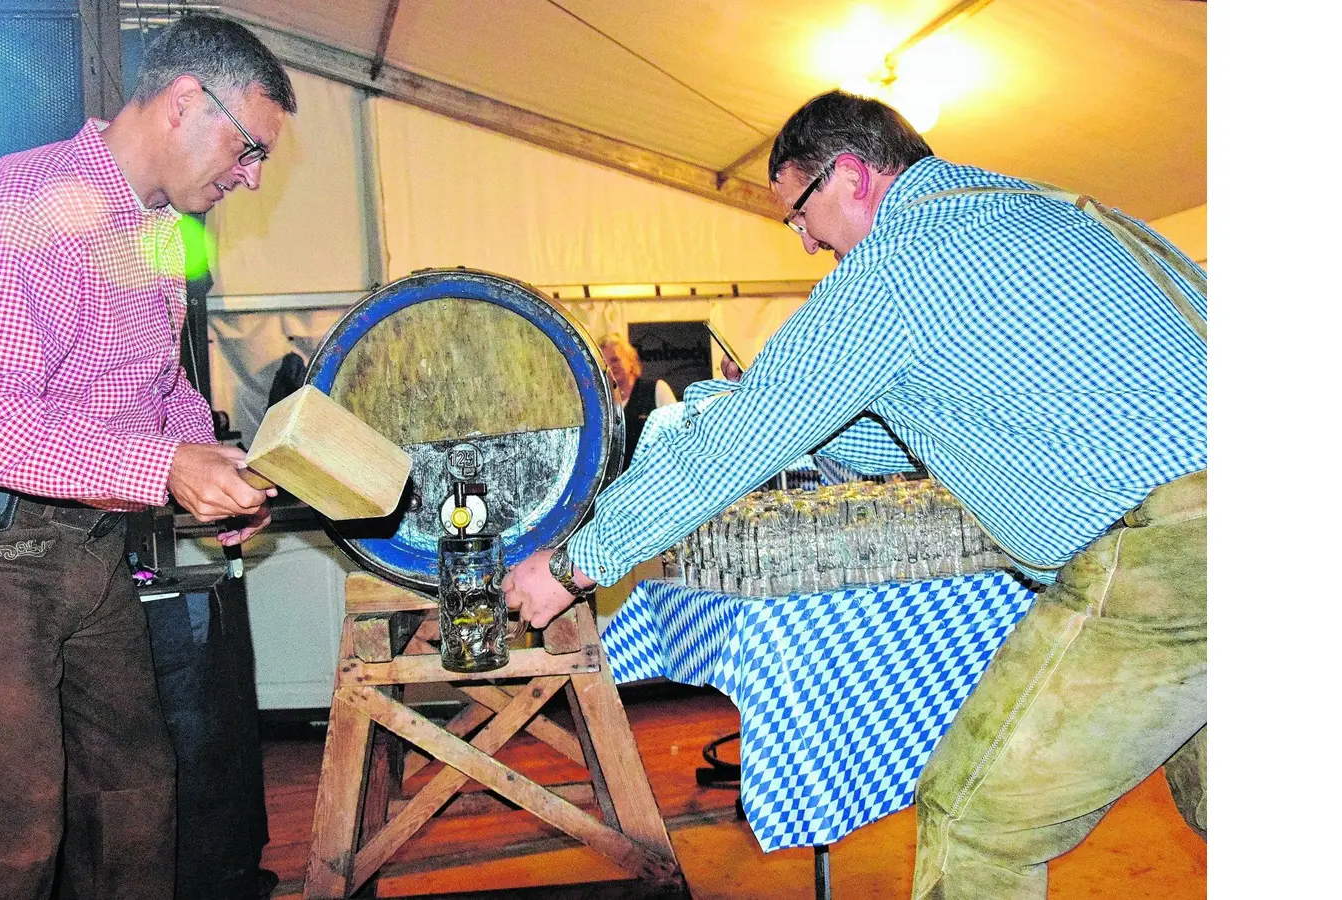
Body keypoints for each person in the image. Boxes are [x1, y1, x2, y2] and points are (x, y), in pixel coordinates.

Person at [503, 89, 1206, 899]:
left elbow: (741, 441)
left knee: (977, 822)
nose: (806, 241)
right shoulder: (1061, 212)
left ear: (853, 176)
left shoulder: (895, 264)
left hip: (1174, 554)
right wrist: (788, 413)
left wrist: (575, 564)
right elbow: (917, 425)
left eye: (801, 214)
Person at [0, 16, 297, 899]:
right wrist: (164, 472)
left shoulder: (159, 232)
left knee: (136, 797)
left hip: (91, 545)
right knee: (10, 829)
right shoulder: (12, 205)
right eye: (249, 147)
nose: (253, 177)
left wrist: (215, 463)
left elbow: (157, 393)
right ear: (186, 101)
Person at [598, 333, 676, 464]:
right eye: (604, 363)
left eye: (615, 360)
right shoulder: (600, 400)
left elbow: (677, 434)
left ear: (631, 360)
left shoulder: (657, 389)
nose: (610, 367)